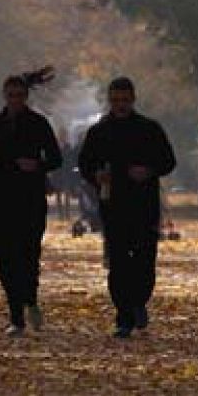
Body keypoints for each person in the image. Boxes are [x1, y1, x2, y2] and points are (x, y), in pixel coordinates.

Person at [77, 77, 176, 338]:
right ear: (110, 100)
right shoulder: (99, 132)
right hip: (114, 205)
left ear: (133, 99)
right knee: (118, 262)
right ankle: (123, 316)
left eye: (125, 100)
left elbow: (168, 161)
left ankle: (139, 301)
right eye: (116, 100)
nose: (120, 105)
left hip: (144, 205)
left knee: (145, 260)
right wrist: (96, 176)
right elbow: (85, 164)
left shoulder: (149, 129)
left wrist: (149, 170)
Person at [0, 71, 62, 336]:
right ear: (5, 96)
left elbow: (56, 158)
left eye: (19, 95)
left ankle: (30, 299)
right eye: (10, 95)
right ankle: (16, 315)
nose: (14, 100)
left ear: (26, 97)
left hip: (30, 197)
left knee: (28, 254)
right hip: (1, 197)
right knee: (5, 258)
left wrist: (37, 164)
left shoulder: (38, 123)